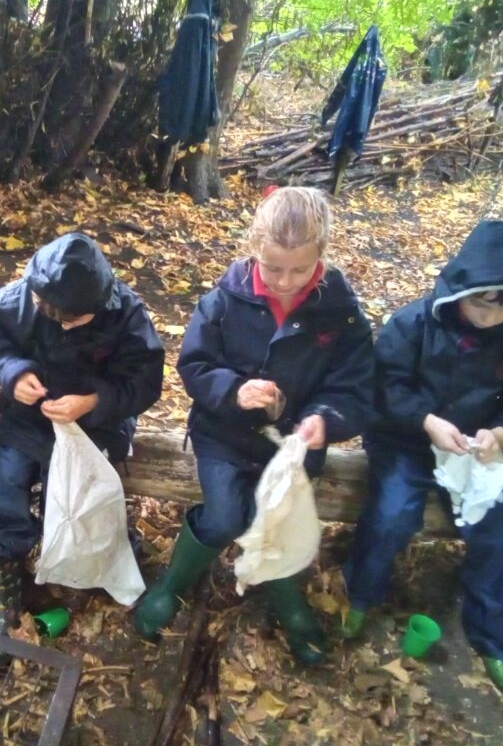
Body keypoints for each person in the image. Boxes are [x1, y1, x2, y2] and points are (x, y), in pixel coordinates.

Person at [134, 186, 374, 665]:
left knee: (278, 520)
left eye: (299, 270)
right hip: (222, 435)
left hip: (292, 446)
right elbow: (195, 364)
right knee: (225, 516)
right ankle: (171, 585)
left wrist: (325, 420)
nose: (285, 281)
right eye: (273, 268)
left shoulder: (341, 315)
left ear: (321, 255)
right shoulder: (224, 301)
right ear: (253, 251)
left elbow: (357, 386)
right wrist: (232, 390)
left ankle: (287, 601)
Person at [342, 219, 503, 696]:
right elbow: (385, 386)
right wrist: (427, 421)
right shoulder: (414, 324)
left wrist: (502, 433)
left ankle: (496, 637)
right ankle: (360, 592)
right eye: (481, 301)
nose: (491, 316)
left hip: (473, 450)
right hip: (406, 441)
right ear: (463, 288)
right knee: (392, 513)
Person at [0, 231, 164, 666]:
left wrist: (94, 401)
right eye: (52, 317)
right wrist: (13, 372)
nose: (62, 325)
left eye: (73, 321)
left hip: (97, 425)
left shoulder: (125, 314)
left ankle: (101, 558)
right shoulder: (25, 298)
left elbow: (145, 380)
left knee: (85, 494)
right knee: (8, 488)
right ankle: (4, 584)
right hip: (29, 419)